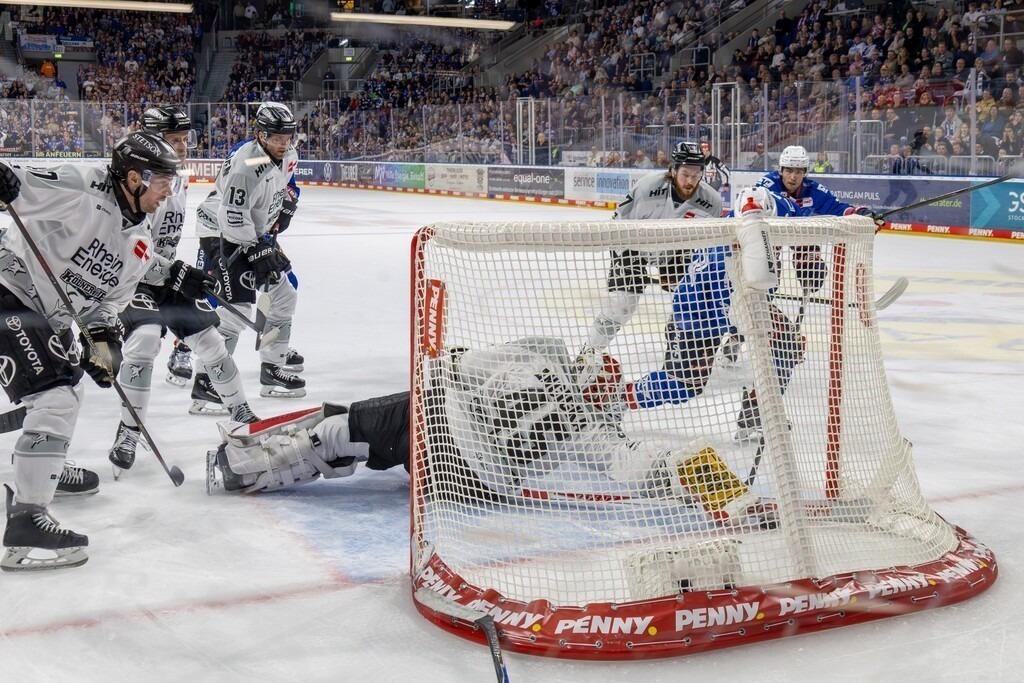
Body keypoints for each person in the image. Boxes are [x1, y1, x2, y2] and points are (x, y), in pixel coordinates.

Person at [207, 337, 777, 528]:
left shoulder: (544, 361)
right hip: (471, 482)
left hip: (440, 430)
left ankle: (248, 469)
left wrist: (451, 382)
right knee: (360, 434)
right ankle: (267, 463)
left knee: (342, 429)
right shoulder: (593, 429)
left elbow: (451, 363)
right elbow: (637, 462)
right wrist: (700, 479)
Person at [0, 131, 181, 571]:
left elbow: (107, 306)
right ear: (135, 178)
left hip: (46, 316)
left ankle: (41, 469)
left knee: (62, 392)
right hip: (9, 289)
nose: (167, 194)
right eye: (162, 183)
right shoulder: (81, 187)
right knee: (56, 394)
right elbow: (17, 184)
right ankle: (26, 517)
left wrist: (105, 342)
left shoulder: (140, 246)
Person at [107, 107, 261, 477]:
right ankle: (129, 431)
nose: (182, 148)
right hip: (133, 278)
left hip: (168, 275)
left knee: (210, 342)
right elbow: (126, 245)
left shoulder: (177, 177)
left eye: (184, 141)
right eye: (173, 141)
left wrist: (186, 269)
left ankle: (240, 410)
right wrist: (172, 271)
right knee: (143, 342)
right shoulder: (131, 181)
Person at [610, 187, 806, 442]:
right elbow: (732, 305)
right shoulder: (727, 253)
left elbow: (805, 217)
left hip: (726, 305)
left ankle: (757, 414)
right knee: (683, 387)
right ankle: (615, 400)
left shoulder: (767, 212)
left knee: (786, 344)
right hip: (696, 317)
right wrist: (764, 329)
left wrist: (808, 258)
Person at [194, 101, 306, 412]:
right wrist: (256, 248)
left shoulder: (287, 153)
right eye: (276, 139)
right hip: (224, 234)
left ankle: (272, 368)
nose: (283, 144)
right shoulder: (248, 164)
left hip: (255, 233)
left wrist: (288, 202)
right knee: (235, 309)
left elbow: (287, 183)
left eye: (288, 138)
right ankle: (206, 381)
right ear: (259, 135)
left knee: (285, 291)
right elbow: (231, 215)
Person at [581, 141, 723, 369]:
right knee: (622, 304)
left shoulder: (712, 201)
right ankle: (589, 352)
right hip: (633, 247)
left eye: (696, 175)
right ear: (673, 170)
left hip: (677, 252)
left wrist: (687, 278)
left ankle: (679, 344)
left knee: (690, 302)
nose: (690, 181)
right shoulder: (647, 188)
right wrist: (626, 265)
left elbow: (710, 245)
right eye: (685, 174)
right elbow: (618, 224)